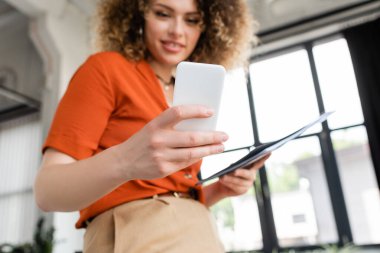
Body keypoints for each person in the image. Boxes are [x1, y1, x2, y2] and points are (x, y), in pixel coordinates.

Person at [34, 0, 269, 252]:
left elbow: (171, 194)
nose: (177, 31)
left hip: (201, 231)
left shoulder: (187, 90)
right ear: (138, 15)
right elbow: (47, 191)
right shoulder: (105, 69)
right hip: (134, 233)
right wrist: (126, 162)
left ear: (208, 27)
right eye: (163, 14)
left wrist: (220, 189)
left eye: (191, 20)